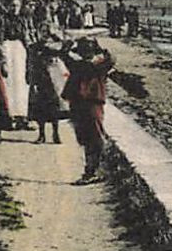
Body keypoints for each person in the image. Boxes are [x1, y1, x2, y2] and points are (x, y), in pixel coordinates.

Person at [62, 36, 115, 184]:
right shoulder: (91, 66)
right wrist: (101, 49)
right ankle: (92, 170)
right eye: (83, 50)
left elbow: (111, 59)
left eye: (87, 50)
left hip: (91, 104)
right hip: (84, 104)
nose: (86, 53)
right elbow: (111, 59)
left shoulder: (90, 66)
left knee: (93, 136)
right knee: (87, 137)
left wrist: (68, 46)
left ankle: (94, 170)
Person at [28, 22, 68, 145]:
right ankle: (42, 135)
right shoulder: (35, 47)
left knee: (54, 107)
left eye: (47, 32)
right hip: (41, 79)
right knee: (40, 107)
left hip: (54, 79)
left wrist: (56, 36)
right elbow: (31, 64)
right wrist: (32, 80)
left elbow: (67, 45)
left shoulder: (55, 46)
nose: (45, 34)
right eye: (43, 32)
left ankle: (55, 133)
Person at [2, 0, 31, 131]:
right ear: (8, 7)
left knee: (21, 82)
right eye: (12, 5)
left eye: (17, 6)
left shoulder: (23, 20)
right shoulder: (3, 19)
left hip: (20, 48)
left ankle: (22, 116)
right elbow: (1, 35)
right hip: (8, 47)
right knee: (9, 82)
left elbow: (26, 36)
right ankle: (9, 116)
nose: (14, 8)